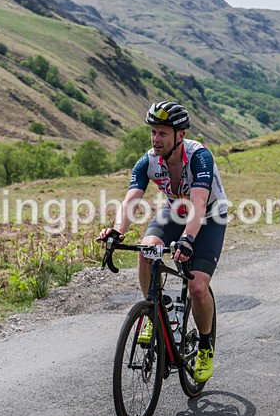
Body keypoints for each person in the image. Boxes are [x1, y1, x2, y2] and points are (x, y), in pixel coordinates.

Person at [97, 101, 227, 383]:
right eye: (153, 132)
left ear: (180, 135)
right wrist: (117, 231)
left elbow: (200, 204)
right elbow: (131, 200)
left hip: (209, 217)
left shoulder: (199, 157)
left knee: (197, 286)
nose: (156, 139)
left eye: (163, 134)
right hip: (175, 212)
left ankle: (205, 346)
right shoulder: (148, 161)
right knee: (146, 251)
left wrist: (187, 240)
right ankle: (154, 311)